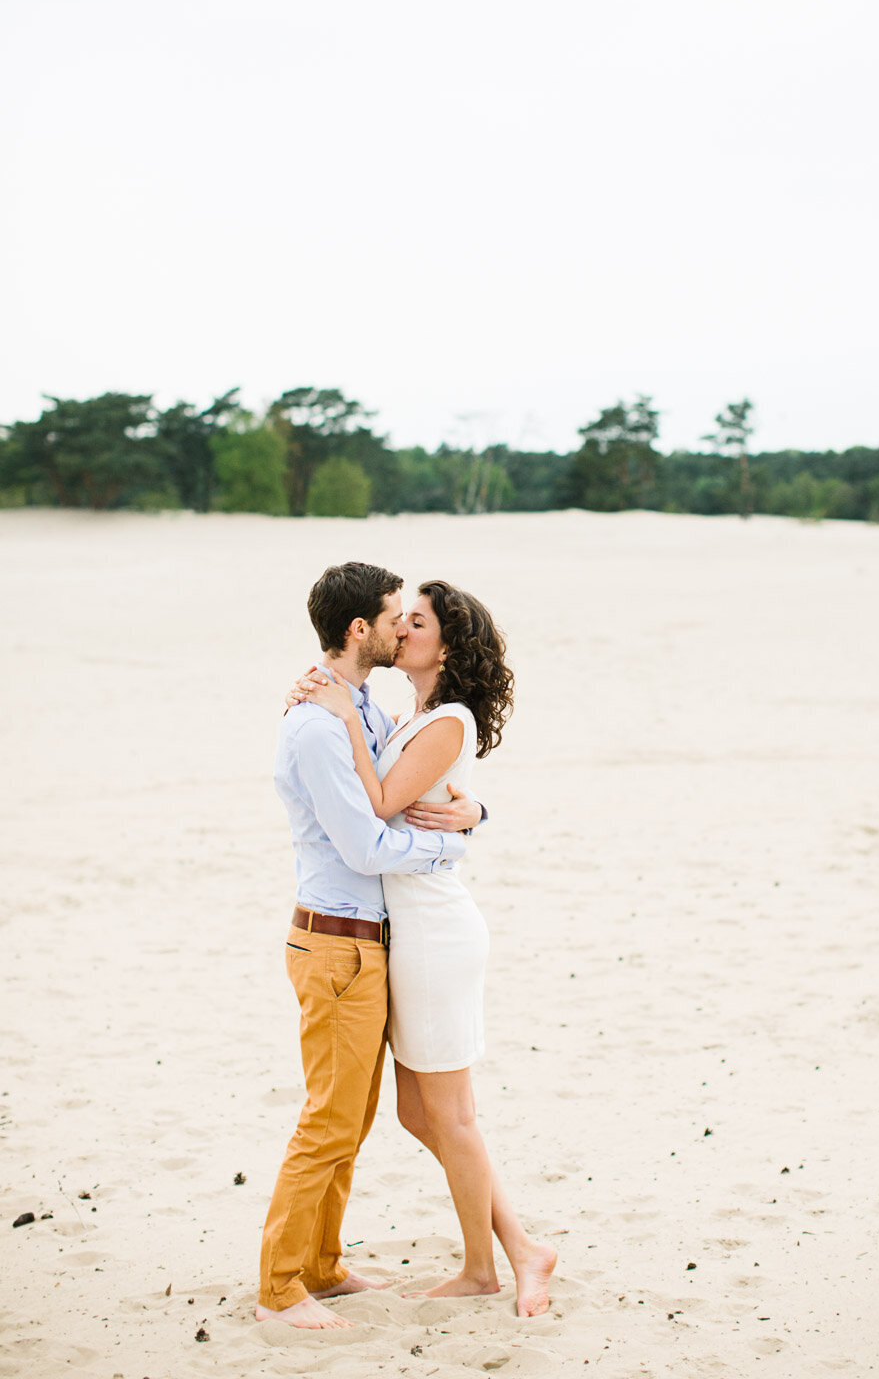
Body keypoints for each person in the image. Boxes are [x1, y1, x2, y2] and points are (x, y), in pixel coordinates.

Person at [292, 579, 557, 1317]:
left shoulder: (447, 719)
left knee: (454, 1116)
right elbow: (417, 792)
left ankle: (485, 1266)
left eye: (416, 622)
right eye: (398, 618)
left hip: (435, 934)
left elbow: (378, 804)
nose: (401, 629)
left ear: (446, 643)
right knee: (421, 1114)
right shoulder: (412, 715)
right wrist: (472, 815)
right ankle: (523, 1246)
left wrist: (342, 715)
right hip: (407, 931)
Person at [257, 561, 485, 1331]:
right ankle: (281, 1285)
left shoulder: (359, 708)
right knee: (329, 1118)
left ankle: (321, 1265)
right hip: (336, 943)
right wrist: (447, 854)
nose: (401, 626)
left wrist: (475, 813)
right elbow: (364, 844)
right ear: (361, 629)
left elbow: (423, 783)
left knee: (349, 1121)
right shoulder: (321, 722)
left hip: (367, 943)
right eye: (395, 615)